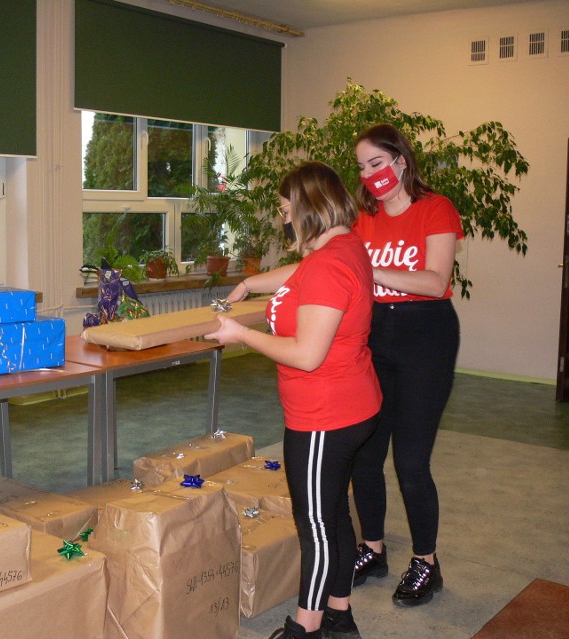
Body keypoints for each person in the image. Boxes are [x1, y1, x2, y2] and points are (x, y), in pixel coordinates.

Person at [205, 161, 381, 639]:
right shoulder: (344, 245)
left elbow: (306, 354)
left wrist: (240, 333)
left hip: (325, 414)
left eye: (286, 210)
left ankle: (306, 627)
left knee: (316, 526)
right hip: (349, 405)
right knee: (334, 515)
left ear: (307, 208)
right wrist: (249, 284)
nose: (284, 220)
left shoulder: (329, 264)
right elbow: (300, 274)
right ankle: (340, 617)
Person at [348, 123, 464, 607]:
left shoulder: (435, 209)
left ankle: (426, 563)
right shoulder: (362, 218)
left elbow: (436, 281)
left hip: (425, 335)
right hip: (375, 336)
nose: (370, 174)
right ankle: (372, 549)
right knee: (365, 455)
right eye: (361, 167)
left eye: (377, 163)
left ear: (400, 160)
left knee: (411, 461)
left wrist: (367, 268)